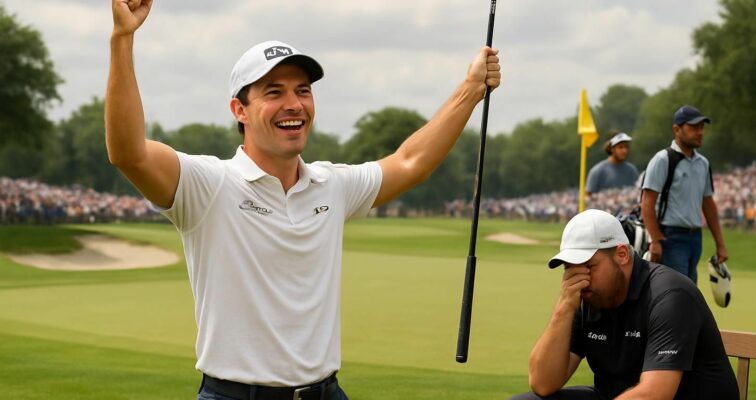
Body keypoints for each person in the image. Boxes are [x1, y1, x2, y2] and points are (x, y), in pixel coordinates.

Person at [105, 1, 500, 399]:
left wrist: (470, 89)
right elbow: (129, 153)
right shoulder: (208, 185)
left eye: (303, 91)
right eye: (274, 92)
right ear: (239, 110)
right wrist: (123, 38)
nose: (294, 104)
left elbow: (411, 162)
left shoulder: (331, 185)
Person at [510, 209, 738, 400]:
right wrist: (563, 308)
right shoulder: (585, 297)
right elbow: (542, 383)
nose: (580, 277)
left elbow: (654, 394)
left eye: (588, 266)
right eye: (569, 268)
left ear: (621, 254)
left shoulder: (670, 295)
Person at [640, 105, 728, 282]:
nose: (700, 132)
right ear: (677, 129)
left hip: (695, 237)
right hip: (670, 237)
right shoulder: (663, 159)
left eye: (702, 127)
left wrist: (720, 244)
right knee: (678, 291)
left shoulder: (703, 163)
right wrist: (655, 240)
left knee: (689, 291)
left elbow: (708, 204)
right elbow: (647, 203)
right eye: (694, 127)